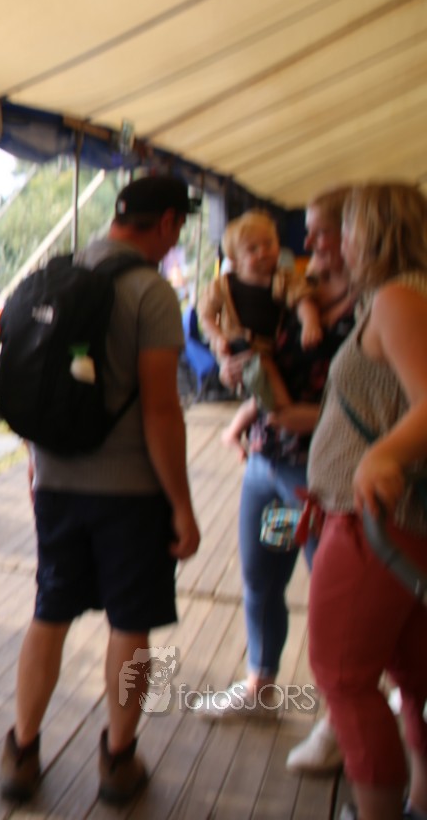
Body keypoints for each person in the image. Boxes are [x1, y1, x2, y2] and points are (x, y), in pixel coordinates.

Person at [0, 175, 201, 805]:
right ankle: (117, 760)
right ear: (166, 223)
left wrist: (37, 461)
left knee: (50, 612)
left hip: (56, 482)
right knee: (131, 625)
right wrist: (182, 505)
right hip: (132, 492)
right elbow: (161, 409)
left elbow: (33, 379)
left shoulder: (58, 274)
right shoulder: (151, 292)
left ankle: (21, 752)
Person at [196, 190, 357, 734]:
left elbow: (381, 401)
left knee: (331, 590)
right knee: (263, 575)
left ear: (353, 233)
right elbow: (259, 360)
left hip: (321, 474)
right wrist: (235, 374)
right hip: (270, 465)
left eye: (318, 231)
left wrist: (302, 416)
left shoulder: (371, 303)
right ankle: (260, 685)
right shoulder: (293, 288)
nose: (305, 241)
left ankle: (343, 709)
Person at [305, 182, 427, 820]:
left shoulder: (398, 297)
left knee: (344, 678)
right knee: (413, 676)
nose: (337, 242)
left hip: (375, 523)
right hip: (396, 522)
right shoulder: (403, 295)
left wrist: (382, 456)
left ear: (373, 234)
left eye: (345, 229)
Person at [198, 209, 322, 442]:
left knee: (261, 391)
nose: (263, 252)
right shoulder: (223, 285)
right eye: (253, 249)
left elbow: (302, 299)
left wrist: (310, 322)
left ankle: (233, 432)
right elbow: (206, 315)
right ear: (234, 259)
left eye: (269, 244)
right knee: (264, 375)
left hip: (268, 346)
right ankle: (285, 413)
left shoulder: (283, 279)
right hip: (238, 345)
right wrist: (217, 337)